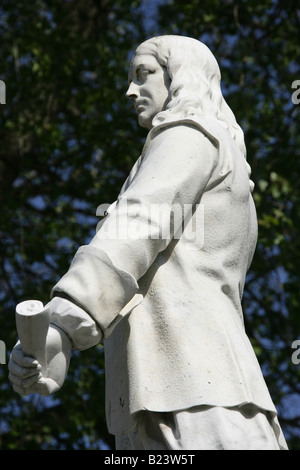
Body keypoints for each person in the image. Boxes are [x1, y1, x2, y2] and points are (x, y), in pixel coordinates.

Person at [9, 35, 288, 450]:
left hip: (192, 391)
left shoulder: (190, 133)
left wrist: (64, 326)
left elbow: (138, 223)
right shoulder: (221, 156)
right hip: (176, 389)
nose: (130, 91)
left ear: (180, 78)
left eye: (143, 75)